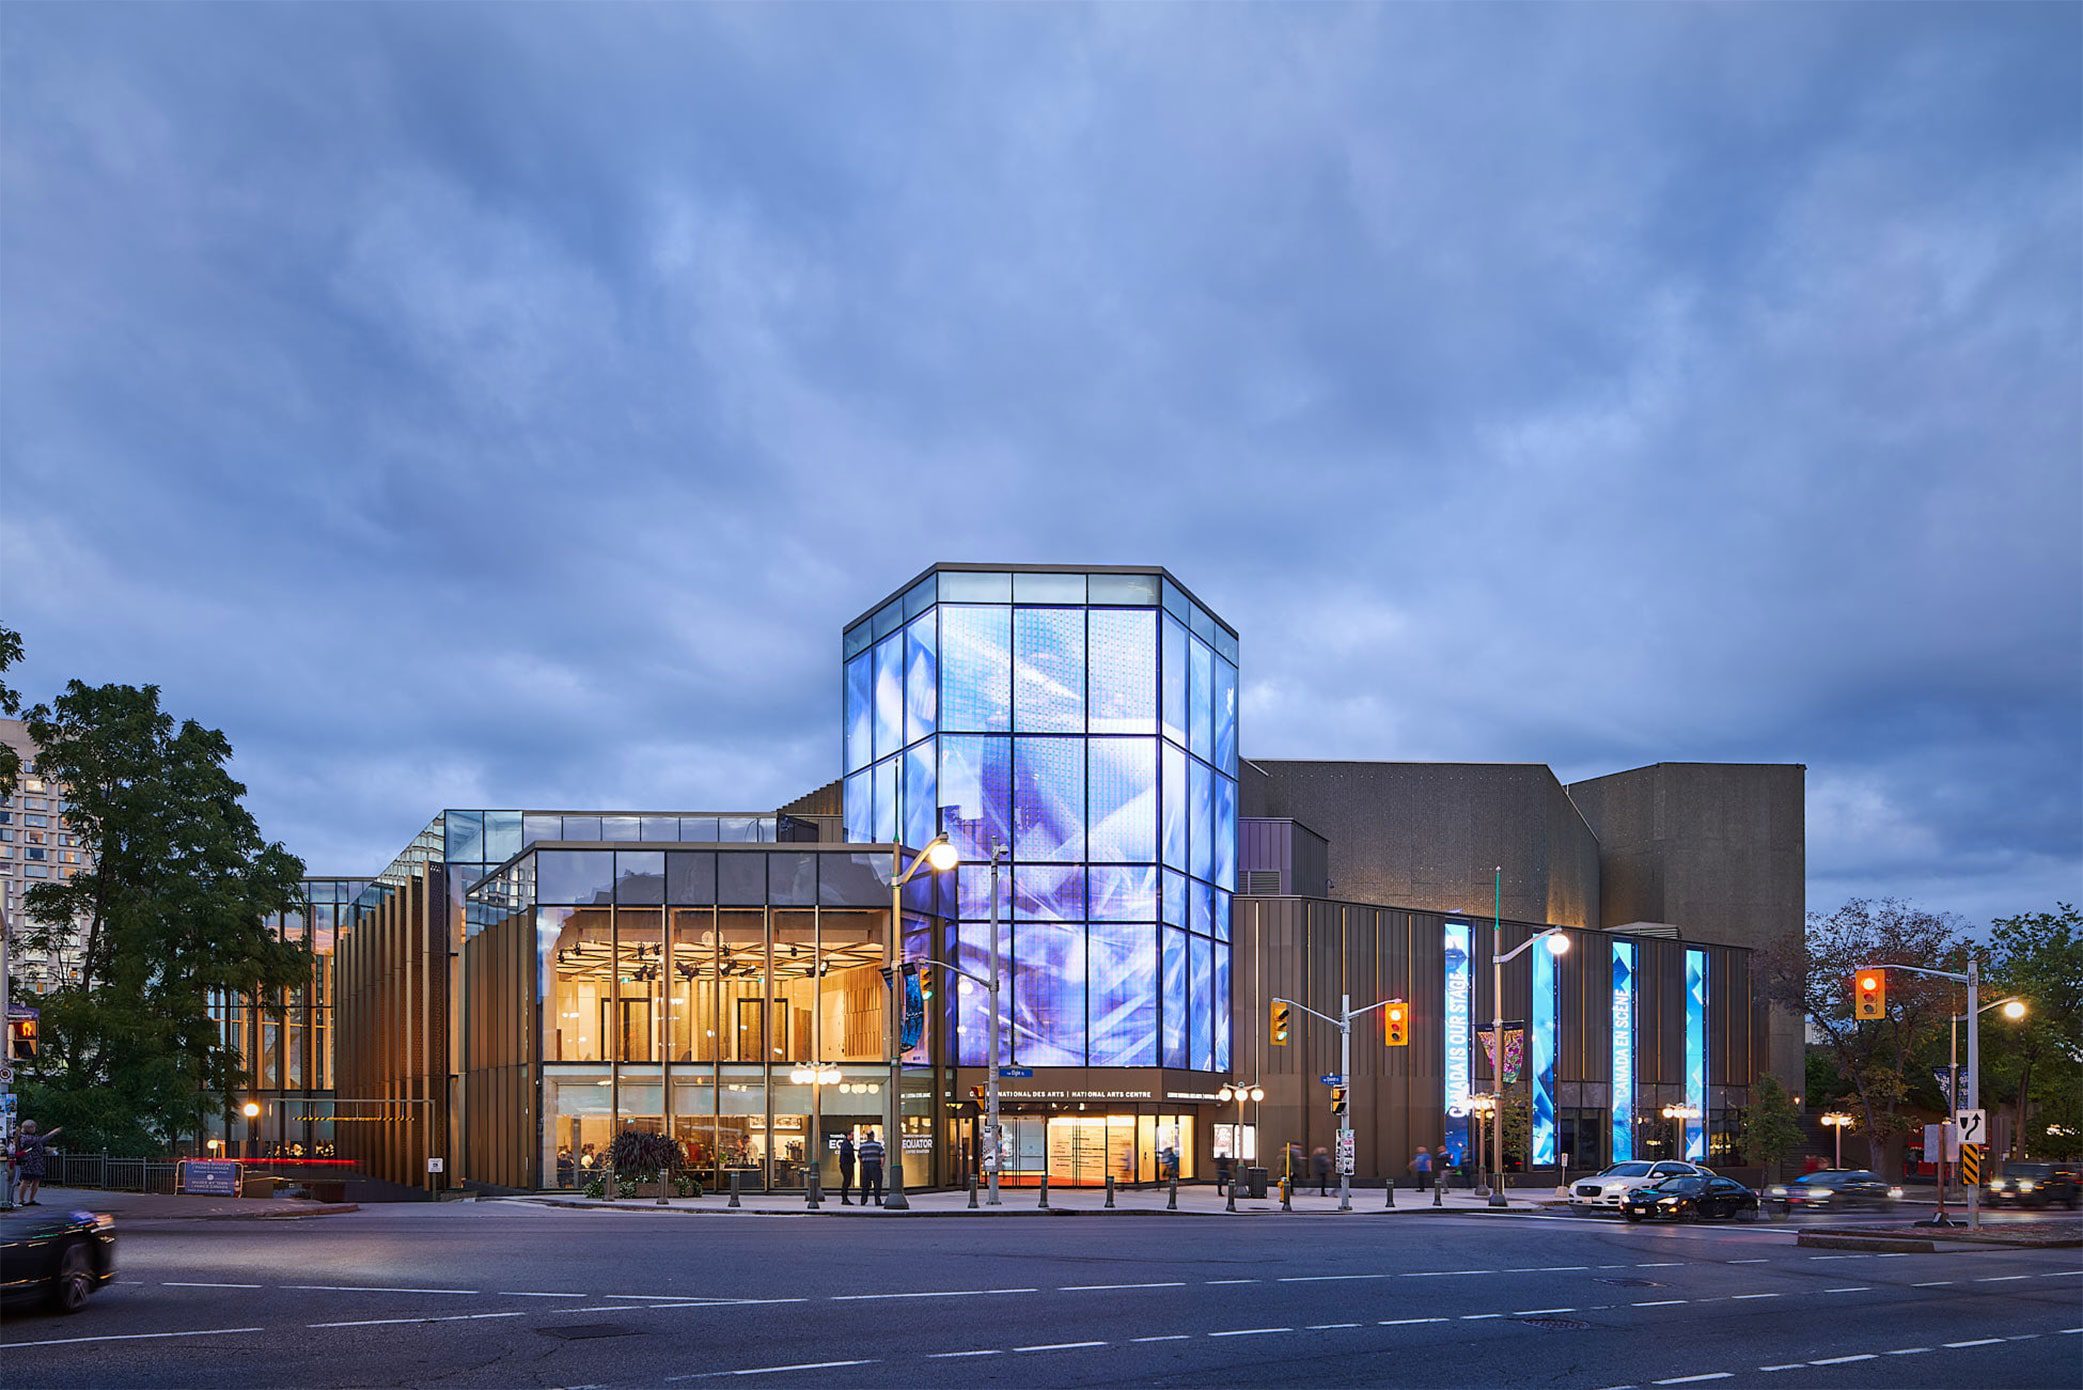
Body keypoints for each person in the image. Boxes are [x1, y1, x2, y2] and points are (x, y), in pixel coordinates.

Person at [14, 1119, 61, 1206]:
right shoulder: (25, 1137)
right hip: (28, 1161)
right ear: (28, 1128)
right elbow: (41, 1140)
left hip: (37, 1161)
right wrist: (53, 1133)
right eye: (33, 1127)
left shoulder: (29, 1137)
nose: (35, 1129)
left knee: (36, 1180)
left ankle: (31, 1199)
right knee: (26, 1180)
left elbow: (38, 1145)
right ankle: (21, 1200)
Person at [859, 1129, 886, 1206]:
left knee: (865, 1185)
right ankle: (877, 1200)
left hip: (866, 1166)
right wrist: (881, 1165)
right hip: (875, 1165)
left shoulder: (862, 1146)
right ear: (873, 1136)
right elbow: (882, 1156)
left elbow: (859, 1156)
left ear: (867, 1136)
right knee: (877, 1184)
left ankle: (863, 1201)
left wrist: (862, 1164)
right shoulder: (878, 1145)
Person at [838, 1133, 857, 1206]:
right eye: (852, 1135)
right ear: (848, 1136)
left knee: (847, 1180)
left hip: (847, 1164)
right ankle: (844, 1198)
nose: (853, 1137)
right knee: (847, 1180)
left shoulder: (847, 1143)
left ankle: (845, 1197)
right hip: (846, 1164)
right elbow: (847, 1152)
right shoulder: (846, 1144)